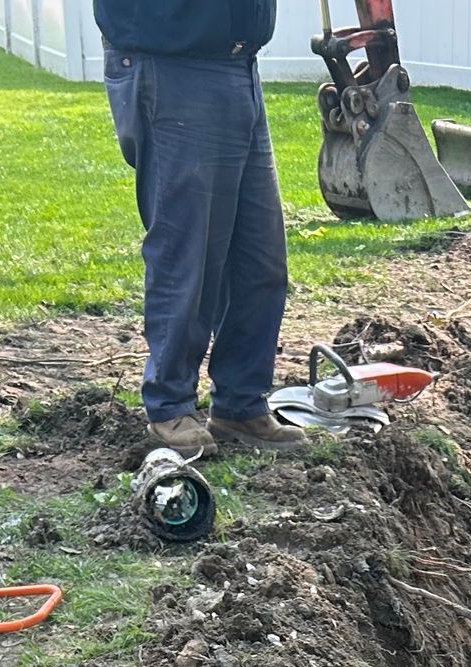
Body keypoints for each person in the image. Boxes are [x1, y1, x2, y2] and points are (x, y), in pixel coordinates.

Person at [92, 0, 307, 456]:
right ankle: (170, 406)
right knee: (187, 253)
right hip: (174, 66)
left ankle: (240, 404)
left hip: (235, 63)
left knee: (260, 260)